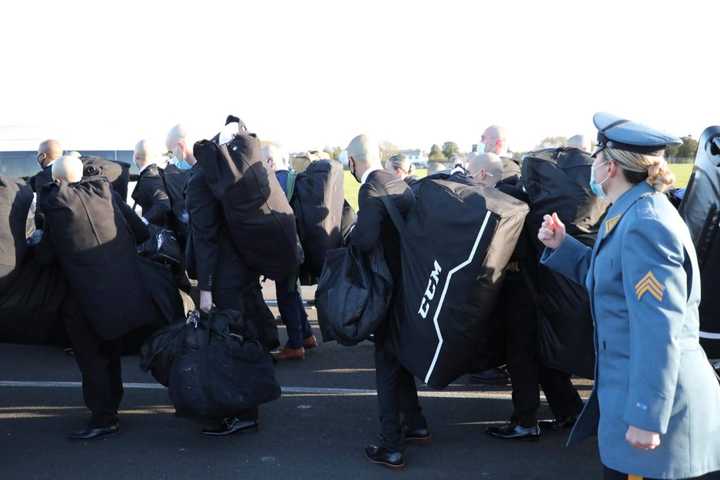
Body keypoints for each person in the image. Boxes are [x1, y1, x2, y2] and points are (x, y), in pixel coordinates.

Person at [538, 113, 720, 479]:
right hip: (641, 399)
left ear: (612, 167)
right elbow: (613, 281)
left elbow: (658, 328)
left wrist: (646, 415)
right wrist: (564, 245)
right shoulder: (631, 212)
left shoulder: (646, 224)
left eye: (597, 155)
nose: (593, 163)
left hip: (660, 412)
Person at [38, 155, 153, 440]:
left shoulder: (59, 208)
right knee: (111, 352)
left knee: (91, 359)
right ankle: (112, 405)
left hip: (83, 299)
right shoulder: (107, 195)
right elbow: (141, 232)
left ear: (58, 180)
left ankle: (103, 417)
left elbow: (44, 258)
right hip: (120, 290)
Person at [347, 134, 428, 470]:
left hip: (387, 290)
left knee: (385, 365)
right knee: (399, 358)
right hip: (410, 284)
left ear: (352, 162)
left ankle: (391, 445)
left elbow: (364, 241)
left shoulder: (369, 190)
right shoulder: (397, 182)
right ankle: (417, 423)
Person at [261, 143, 316, 360]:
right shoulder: (292, 177)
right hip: (297, 247)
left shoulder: (276, 182)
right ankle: (307, 335)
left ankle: (295, 345)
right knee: (293, 292)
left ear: (270, 162)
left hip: (285, 249)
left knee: (286, 296)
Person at [131, 139, 172, 227]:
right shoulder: (151, 173)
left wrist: (143, 221)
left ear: (137, 157)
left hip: (156, 231)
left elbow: (164, 203)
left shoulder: (150, 176)